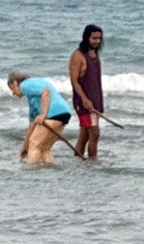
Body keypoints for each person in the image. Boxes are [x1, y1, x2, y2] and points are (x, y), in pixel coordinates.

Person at [7, 71, 75, 164]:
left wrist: (43, 114)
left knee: (34, 144)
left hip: (53, 113)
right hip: (64, 113)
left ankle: (31, 173)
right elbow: (32, 126)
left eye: (12, 89)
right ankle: (50, 172)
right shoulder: (32, 99)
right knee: (44, 148)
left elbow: (45, 91)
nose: (13, 94)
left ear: (15, 83)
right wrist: (25, 147)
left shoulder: (24, 85)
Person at [70, 24, 104, 158]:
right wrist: (84, 99)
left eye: (99, 38)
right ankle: (92, 164)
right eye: (94, 38)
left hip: (95, 100)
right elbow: (74, 80)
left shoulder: (94, 54)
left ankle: (78, 163)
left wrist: (96, 101)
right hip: (83, 102)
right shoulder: (78, 55)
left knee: (85, 135)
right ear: (86, 37)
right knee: (95, 133)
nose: (97, 41)